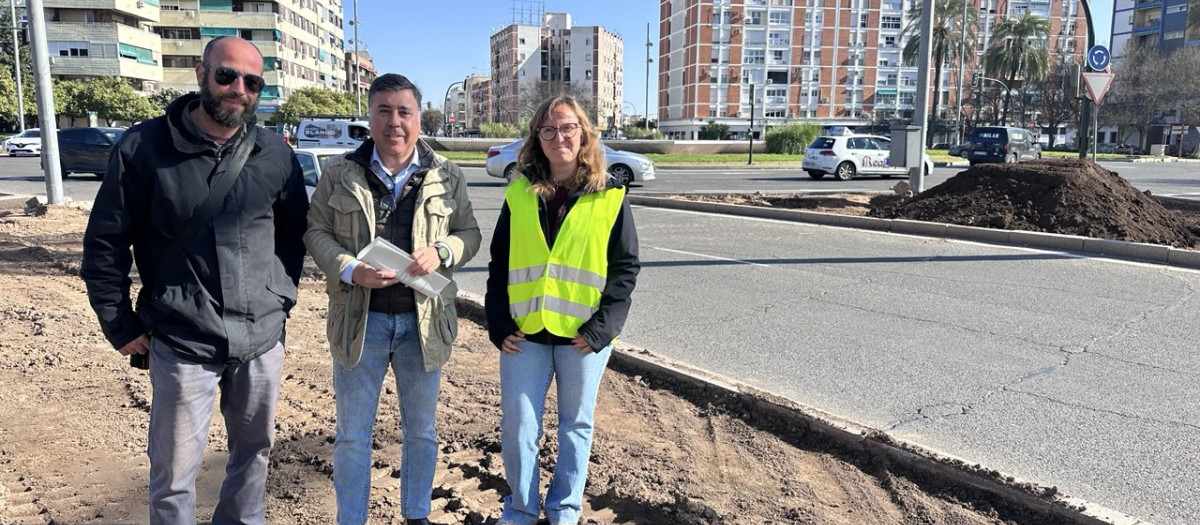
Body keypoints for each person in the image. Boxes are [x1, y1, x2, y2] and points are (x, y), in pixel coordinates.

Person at [80, 35, 308, 524]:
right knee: (174, 474)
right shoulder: (143, 147)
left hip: (261, 338)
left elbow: (293, 234)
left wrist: (280, 295)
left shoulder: (274, 153)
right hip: (182, 340)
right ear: (202, 75)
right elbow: (105, 243)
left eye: (252, 82)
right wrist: (119, 323)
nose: (238, 89)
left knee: (254, 455)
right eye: (226, 75)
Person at [304, 73, 481, 525]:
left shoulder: (447, 175)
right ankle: (352, 518)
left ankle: (416, 515)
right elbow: (316, 231)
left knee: (421, 432)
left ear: (419, 118)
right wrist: (349, 268)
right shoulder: (340, 174)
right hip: (360, 325)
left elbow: (470, 234)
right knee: (352, 436)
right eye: (384, 110)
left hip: (421, 327)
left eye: (404, 111)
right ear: (370, 116)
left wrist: (442, 252)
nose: (395, 122)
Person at [485, 95, 641, 525]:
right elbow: (500, 263)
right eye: (549, 130)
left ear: (584, 134)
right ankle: (520, 509)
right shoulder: (518, 193)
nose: (559, 137)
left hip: (583, 339)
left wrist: (601, 330)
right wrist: (498, 323)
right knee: (519, 428)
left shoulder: (610, 195)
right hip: (526, 335)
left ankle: (564, 509)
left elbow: (625, 269)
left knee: (576, 426)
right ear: (538, 138)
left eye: (568, 127)